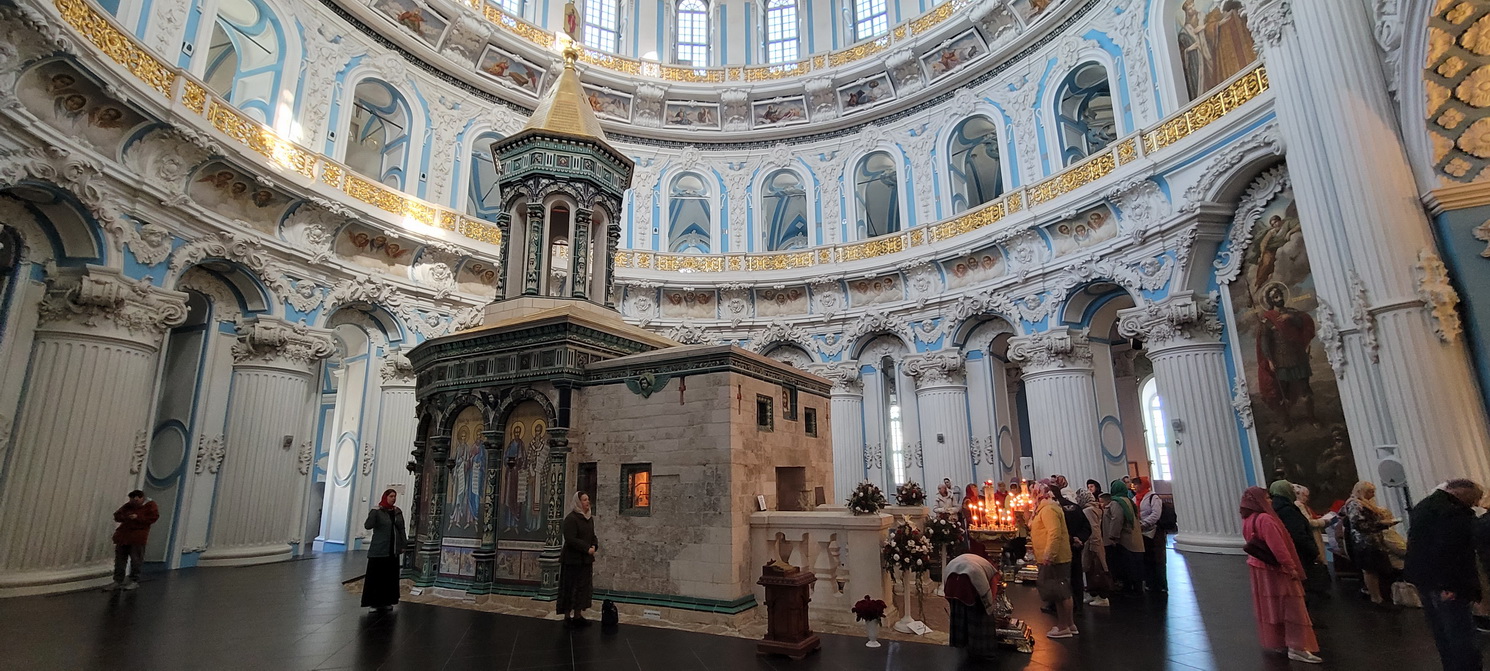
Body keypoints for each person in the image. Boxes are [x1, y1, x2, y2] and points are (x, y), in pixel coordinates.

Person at [1406, 479, 1485, 671]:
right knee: (1460, 633)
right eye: (1474, 498)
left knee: (1442, 633)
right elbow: (1451, 552)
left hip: (1425, 579)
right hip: (1448, 583)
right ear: (1460, 493)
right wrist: (1450, 586)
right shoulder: (1453, 514)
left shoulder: (1425, 506)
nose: (1475, 503)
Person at [1240, 487, 1322, 664]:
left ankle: (1279, 641)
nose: (1270, 501)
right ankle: (1298, 646)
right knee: (1292, 607)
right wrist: (1291, 567)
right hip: (1276, 570)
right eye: (1267, 498)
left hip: (1259, 569)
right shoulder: (1266, 519)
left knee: (1271, 606)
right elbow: (1279, 548)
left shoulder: (1248, 519)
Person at [1029, 480, 1076, 638]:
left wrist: (1049, 555)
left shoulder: (1048, 509)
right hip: (1055, 556)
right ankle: (1069, 624)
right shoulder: (1045, 508)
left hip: (1055, 558)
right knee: (1061, 592)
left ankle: (1063, 626)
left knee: (1060, 592)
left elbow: (1054, 533)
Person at [1342, 480, 1399, 604]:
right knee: (1370, 570)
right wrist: (1382, 524)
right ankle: (1376, 598)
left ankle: (1380, 596)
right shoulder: (1355, 504)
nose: (1373, 495)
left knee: (1376, 569)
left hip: (1373, 541)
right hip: (1365, 543)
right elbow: (1359, 524)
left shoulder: (1364, 503)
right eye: (1370, 492)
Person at [1269, 480, 1323, 605]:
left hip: (1292, 550)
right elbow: (1298, 534)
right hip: (1300, 552)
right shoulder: (1288, 509)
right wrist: (1314, 551)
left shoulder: (1275, 507)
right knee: (1305, 585)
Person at [944, 552, 1000, 659]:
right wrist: (990, 606)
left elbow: (947, 585)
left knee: (959, 610)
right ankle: (981, 649)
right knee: (979, 613)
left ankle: (960, 643)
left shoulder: (977, 560)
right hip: (972, 575)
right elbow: (990, 591)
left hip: (951, 574)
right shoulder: (993, 571)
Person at [362, 489, 407, 611]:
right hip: (379, 549)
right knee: (377, 577)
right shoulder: (377, 511)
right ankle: (374, 603)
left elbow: (401, 528)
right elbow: (368, 525)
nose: (394, 498)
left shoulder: (397, 511)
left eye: (395, 496)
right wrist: (373, 513)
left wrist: (403, 544)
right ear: (385, 497)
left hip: (392, 550)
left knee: (390, 578)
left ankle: (387, 601)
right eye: (391, 496)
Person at [559, 491, 598, 626]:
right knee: (571, 587)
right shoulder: (571, 518)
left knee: (583, 587)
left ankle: (578, 614)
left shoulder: (588, 518)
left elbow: (592, 535)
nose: (587, 502)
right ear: (578, 502)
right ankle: (567, 616)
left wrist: (594, 545)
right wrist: (586, 548)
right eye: (584, 500)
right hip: (572, 559)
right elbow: (570, 538)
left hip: (585, 560)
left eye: (588, 499)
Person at [107, 490, 159, 591]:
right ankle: (118, 580)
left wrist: (138, 517)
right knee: (120, 560)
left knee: (136, 560)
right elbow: (117, 515)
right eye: (132, 499)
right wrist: (127, 517)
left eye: (136, 499)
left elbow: (153, 517)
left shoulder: (150, 505)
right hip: (124, 536)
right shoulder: (129, 505)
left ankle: (134, 580)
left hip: (138, 537)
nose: (134, 502)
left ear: (142, 498)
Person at [1052, 481, 1090, 613]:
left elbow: (1056, 530)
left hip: (1061, 548)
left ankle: (1060, 607)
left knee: (1060, 579)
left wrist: (1070, 539)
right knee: (1076, 576)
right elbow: (1086, 526)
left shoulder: (1054, 509)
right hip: (1076, 546)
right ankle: (1078, 604)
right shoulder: (1075, 507)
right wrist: (1080, 538)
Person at [1107, 479, 1145, 593]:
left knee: (1128, 565)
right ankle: (1138, 588)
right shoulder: (1129, 500)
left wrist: (1113, 536)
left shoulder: (1116, 502)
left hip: (1125, 539)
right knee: (1136, 564)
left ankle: (1130, 589)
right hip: (1135, 537)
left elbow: (1117, 519)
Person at [1075, 488, 1110, 607]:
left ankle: (1101, 596)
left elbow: (1093, 529)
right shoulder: (1094, 508)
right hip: (1095, 543)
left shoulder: (1088, 511)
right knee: (1091, 569)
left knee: (1095, 569)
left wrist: (1094, 544)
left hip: (1092, 544)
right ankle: (1093, 594)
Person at [1136, 477, 1167, 593]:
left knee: (1157, 559)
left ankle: (1161, 584)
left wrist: (1145, 523)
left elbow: (1156, 513)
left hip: (1154, 531)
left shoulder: (1153, 497)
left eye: (1138, 484)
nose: (1136, 487)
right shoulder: (1136, 498)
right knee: (1146, 558)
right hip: (1142, 532)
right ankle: (1150, 582)